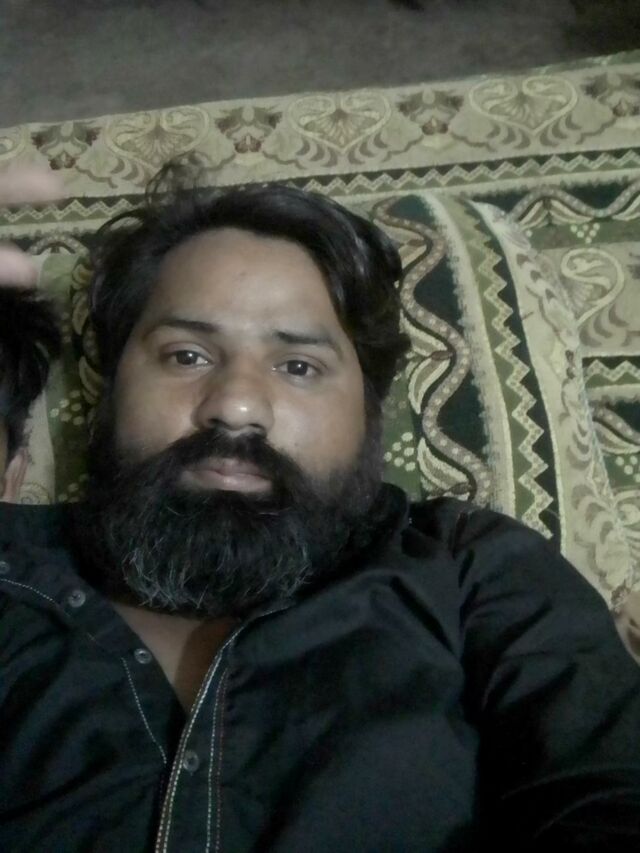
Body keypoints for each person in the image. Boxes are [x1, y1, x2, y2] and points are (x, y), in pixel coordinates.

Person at [0, 164, 639, 853]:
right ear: (111, 389)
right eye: (186, 355)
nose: (236, 405)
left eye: (298, 366)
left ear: (368, 410)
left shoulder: (467, 567)